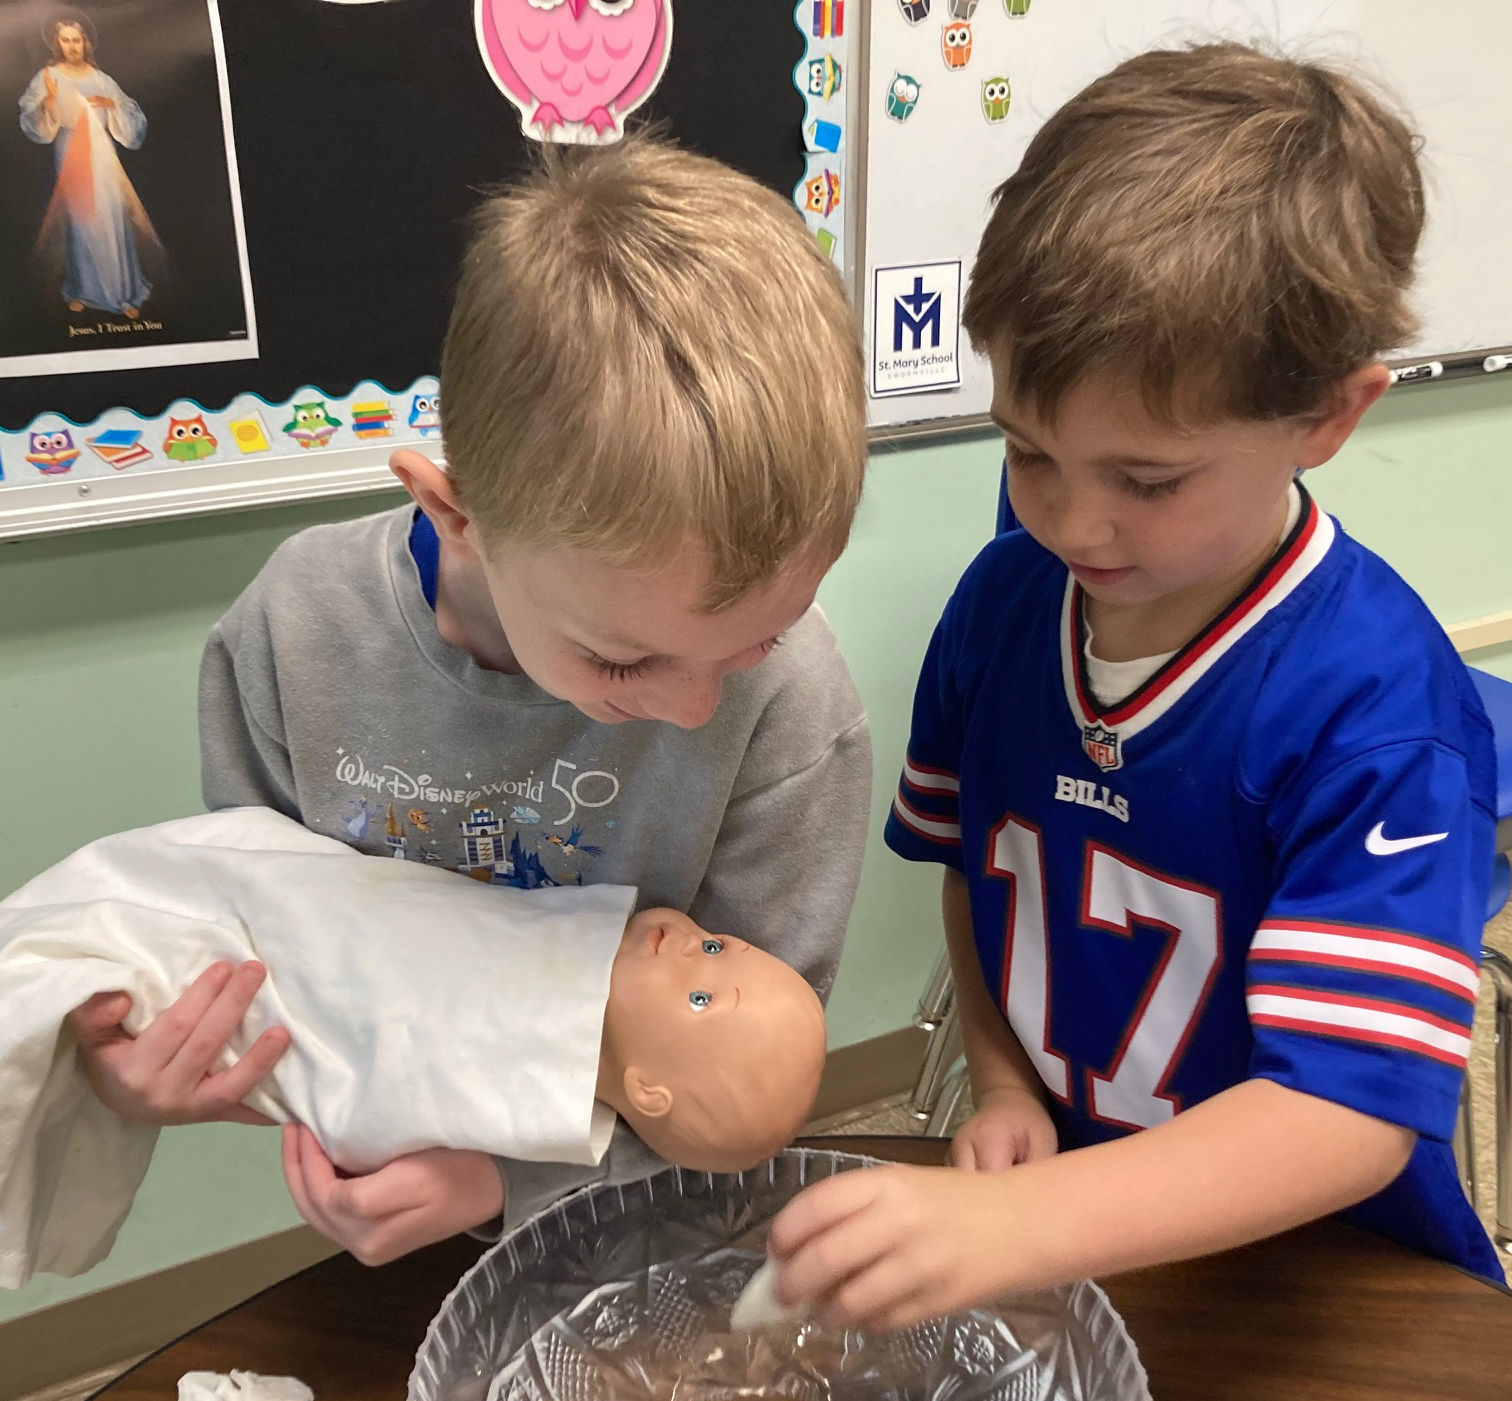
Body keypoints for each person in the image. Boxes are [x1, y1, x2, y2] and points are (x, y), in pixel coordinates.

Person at [768, 42, 1503, 1330]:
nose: (1072, 523)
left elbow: (1347, 1115)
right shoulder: (1003, 610)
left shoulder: (1376, 718)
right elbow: (975, 880)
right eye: (1029, 451)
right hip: (1068, 1226)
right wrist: (1000, 1086)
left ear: (1329, 417)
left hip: (1309, 1279)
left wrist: (1021, 1224)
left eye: (1148, 480)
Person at [63, 139, 871, 1267]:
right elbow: (252, 943)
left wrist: (507, 1176)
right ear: (455, 516)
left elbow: (740, 1095)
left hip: (645, 1243)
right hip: (380, 1255)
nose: (697, 712)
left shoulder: (792, 710)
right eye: (627, 662)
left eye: (757, 639)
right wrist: (136, 1048)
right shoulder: (295, 636)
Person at [19, 15, 159, 319]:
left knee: (112, 216)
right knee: (81, 219)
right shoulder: (47, 76)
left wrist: (110, 105)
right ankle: (83, 290)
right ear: (58, 44)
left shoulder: (101, 78)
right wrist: (48, 103)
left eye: (77, 40)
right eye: (66, 40)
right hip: (70, 151)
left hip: (102, 153)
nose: (72, 47)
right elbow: (30, 116)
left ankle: (125, 294)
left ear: (86, 43)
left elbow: (128, 111)